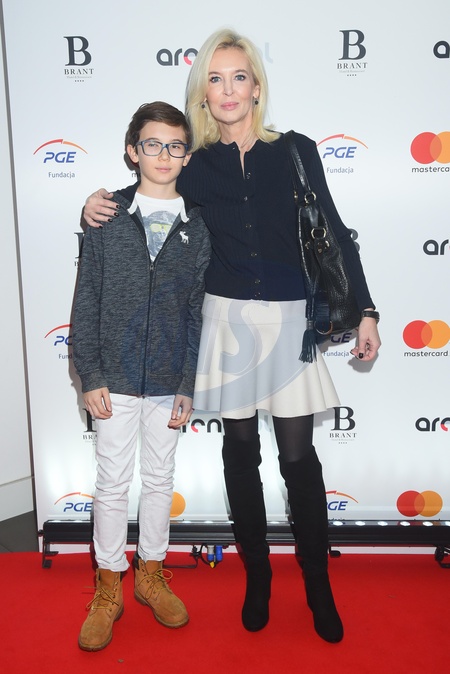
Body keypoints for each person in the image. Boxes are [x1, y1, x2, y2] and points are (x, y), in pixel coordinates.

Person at [82, 29, 381, 644]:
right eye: (214, 79)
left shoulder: (294, 151)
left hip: (291, 322)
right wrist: (94, 204)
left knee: (299, 461)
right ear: (203, 92)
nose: (227, 90)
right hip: (225, 323)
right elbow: (148, 193)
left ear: (256, 87)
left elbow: (333, 229)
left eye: (238, 77)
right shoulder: (195, 165)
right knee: (240, 458)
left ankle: (318, 584)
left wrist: (368, 310)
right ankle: (258, 579)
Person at [72, 101, 211, 651]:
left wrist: (187, 383)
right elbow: (86, 298)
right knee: (111, 482)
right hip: (113, 376)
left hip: (168, 378)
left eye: (175, 145)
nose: (164, 155)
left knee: (159, 479)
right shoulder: (105, 215)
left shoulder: (199, 223)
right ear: (133, 151)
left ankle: (151, 573)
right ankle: (109, 586)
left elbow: (197, 311)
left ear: (187, 155)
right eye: (152, 144)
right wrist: (90, 374)